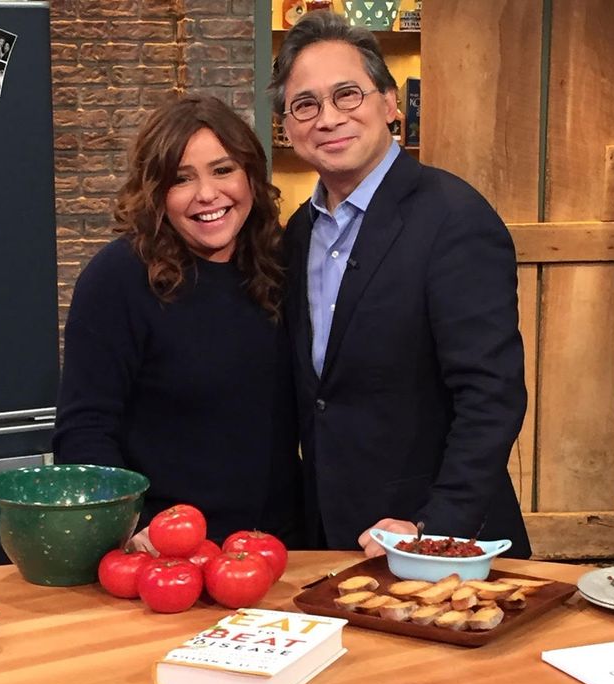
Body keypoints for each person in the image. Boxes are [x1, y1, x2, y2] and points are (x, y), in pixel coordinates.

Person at [269, 10, 532, 558]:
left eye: (348, 95)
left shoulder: (454, 218)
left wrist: (437, 526)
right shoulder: (299, 231)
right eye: (306, 104)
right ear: (288, 127)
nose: (328, 118)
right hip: (329, 534)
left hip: (439, 541)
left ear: (389, 104)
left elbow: (491, 395)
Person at [53, 95, 303, 548]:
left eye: (223, 170)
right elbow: (84, 431)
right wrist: (133, 530)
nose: (208, 194)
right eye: (181, 179)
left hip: (283, 548)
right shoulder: (117, 280)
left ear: (252, 175)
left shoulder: (283, 262)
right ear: (155, 193)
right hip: (168, 553)